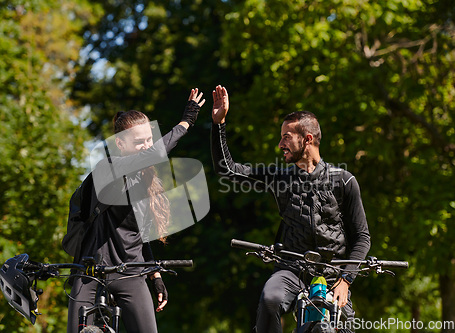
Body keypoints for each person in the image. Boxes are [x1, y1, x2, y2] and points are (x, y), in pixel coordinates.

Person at [210, 85, 371, 333]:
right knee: (269, 300)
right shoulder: (279, 178)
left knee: (345, 329)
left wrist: (346, 280)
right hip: (290, 270)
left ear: (307, 139)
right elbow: (227, 169)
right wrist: (218, 124)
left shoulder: (345, 181)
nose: (280, 143)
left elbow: (362, 238)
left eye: (286, 136)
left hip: (333, 275)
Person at [66, 88, 205, 333]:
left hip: (130, 273)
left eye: (148, 140)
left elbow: (139, 237)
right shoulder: (106, 169)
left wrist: (155, 276)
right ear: (120, 144)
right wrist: (186, 122)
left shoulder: (146, 183)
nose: (146, 147)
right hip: (90, 272)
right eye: (138, 142)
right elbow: (153, 155)